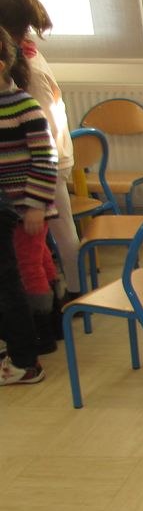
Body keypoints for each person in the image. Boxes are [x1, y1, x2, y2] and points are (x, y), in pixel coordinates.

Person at [0, 0, 81, 308]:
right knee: (41, 243)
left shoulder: (29, 69)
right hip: (42, 162)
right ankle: (58, 292)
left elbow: (44, 129)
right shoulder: (24, 56)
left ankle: (75, 295)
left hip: (47, 164)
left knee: (62, 233)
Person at [0, 24, 55, 384]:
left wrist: (35, 204)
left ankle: (41, 334)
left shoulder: (23, 105)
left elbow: (45, 158)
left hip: (26, 209)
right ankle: (48, 324)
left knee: (27, 269)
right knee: (37, 264)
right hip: (12, 210)